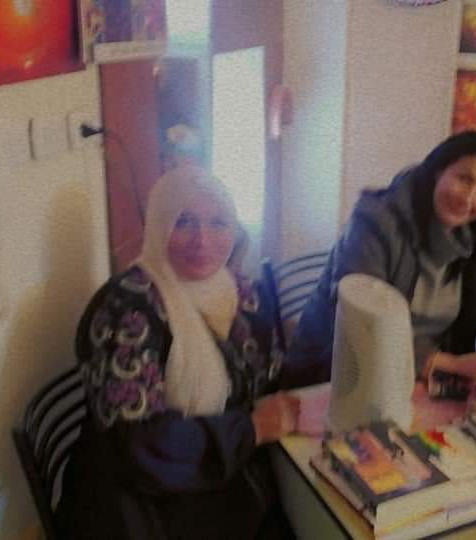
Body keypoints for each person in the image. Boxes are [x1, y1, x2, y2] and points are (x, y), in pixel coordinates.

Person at [55, 166, 300, 539]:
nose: (202, 240)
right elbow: (141, 445)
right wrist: (252, 428)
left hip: (224, 473)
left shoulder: (240, 292)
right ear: (159, 224)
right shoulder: (128, 308)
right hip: (141, 503)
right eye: (183, 222)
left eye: (218, 223)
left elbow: (269, 376)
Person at [286, 131, 476, 404]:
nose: (468, 198)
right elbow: (360, 325)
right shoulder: (376, 223)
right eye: (463, 179)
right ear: (437, 170)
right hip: (335, 373)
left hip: (417, 382)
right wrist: (450, 364)